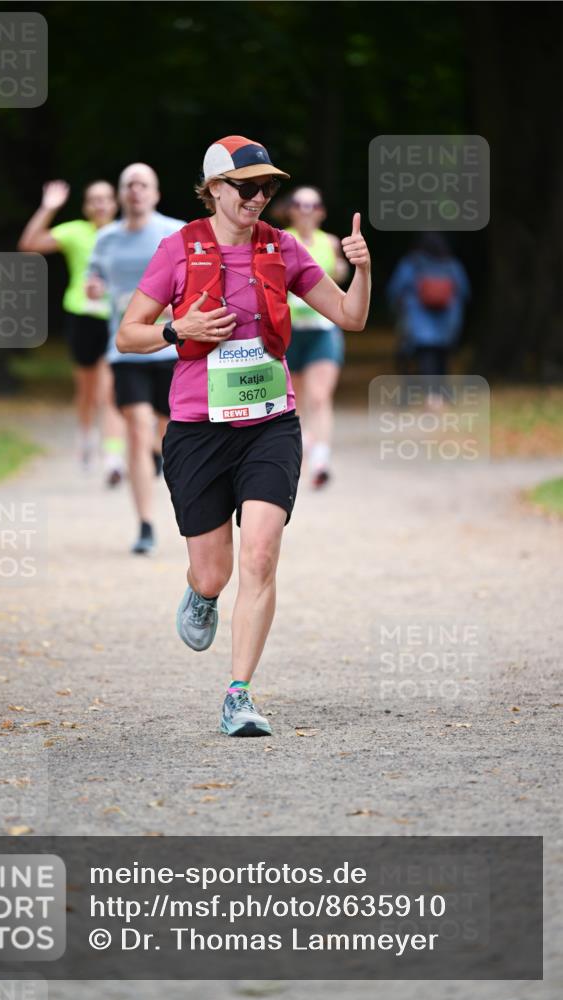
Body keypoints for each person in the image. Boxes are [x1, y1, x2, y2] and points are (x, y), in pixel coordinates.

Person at [119, 136, 370, 736]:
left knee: (260, 553)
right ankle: (200, 594)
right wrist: (179, 328)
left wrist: (361, 269)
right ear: (213, 189)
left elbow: (351, 317)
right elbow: (130, 335)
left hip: (269, 425)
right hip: (198, 429)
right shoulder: (177, 249)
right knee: (214, 573)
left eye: (267, 188)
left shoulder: (282, 249)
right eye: (245, 186)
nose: (259, 197)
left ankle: (239, 694)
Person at [87, 163, 185, 555]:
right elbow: (93, 279)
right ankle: (145, 523)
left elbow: (196, 283)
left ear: (156, 193)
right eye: (129, 184)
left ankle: (159, 456)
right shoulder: (106, 238)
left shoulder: (174, 232)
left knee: (167, 431)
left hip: (171, 346)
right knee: (137, 428)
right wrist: (94, 288)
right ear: (121, 193)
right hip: (125, 347)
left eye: (143, 184)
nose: (136, 191)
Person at [18, 180, 126, 483]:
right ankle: (85, 434)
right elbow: (29, 244)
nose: (101, 205)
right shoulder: (76, 231)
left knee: (109, 391)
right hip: (81, 316)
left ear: (115, 204)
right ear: (86, 206)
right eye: (94, 200)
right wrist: (48, 208)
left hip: (114, 318)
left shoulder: (125, 233)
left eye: (106, 199)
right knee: (87, 391)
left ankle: (114, 458)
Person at [283, 187, 349, 488]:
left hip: (322, 332)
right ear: (291, 210)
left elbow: (340, 276)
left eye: (312, 205)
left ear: (321, 211)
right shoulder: (280, 240)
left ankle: (320, 461)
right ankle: (297, 452)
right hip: (289, 333)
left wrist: (344, 267)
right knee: (294, 402)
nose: (306, 210)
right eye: (300, 204)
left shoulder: (330, 243)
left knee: (320, 397)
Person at [387, 233, 470, 403]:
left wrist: (398, 310)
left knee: (425, 359)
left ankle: (431, 397)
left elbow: (395, 290)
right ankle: (442, 395)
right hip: (448, 322)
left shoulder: (412, 264)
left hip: (418, 321)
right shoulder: (451, 265)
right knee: (442, 359)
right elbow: (464, 291)